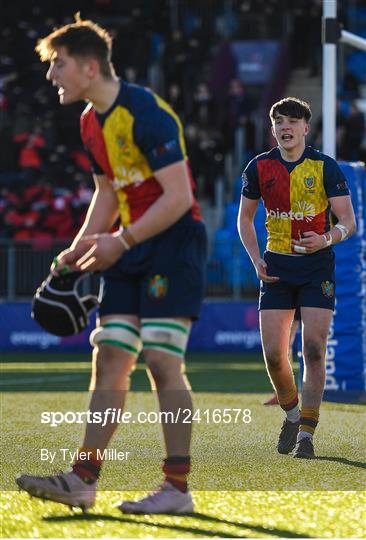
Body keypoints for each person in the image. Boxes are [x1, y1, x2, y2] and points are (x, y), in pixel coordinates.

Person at [16, 14, 207, 514]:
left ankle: (177, 490)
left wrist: (121, 240)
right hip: (129, 242)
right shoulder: (88, 121)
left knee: (163, 361)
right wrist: (76, 251)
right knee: (111, 358)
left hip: (172, 242)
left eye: (58, 65)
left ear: (89, 66)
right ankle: (83, 480)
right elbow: (107, 191)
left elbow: (179, 196)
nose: (51, 75)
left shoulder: (146, 111)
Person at [237, 97, 356, 459]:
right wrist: (256, 259)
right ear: (272, 130)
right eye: (279, 122)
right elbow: (244, 219)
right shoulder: (259, 168)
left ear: (306, 128)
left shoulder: (325, 167)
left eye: (293, 121)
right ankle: (291, 413)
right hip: (275, 266)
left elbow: (349, 222)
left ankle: (307, 431)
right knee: (274, 355)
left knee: (314, 350)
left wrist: (326, 238)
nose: (285, 127)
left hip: (316, 266)